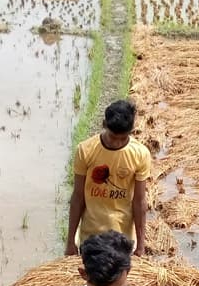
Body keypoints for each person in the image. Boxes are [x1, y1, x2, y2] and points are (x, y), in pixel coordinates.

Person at [65, 100, 152, 257]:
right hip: (90, 236)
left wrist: (141, 245)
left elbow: (139, 201)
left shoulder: (140, 154)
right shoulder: (85, 150)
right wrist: (70, 241)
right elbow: (78, 197)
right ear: (104, 124)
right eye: (113, 137)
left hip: (122, 238)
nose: (117, 142)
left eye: (122, 138)